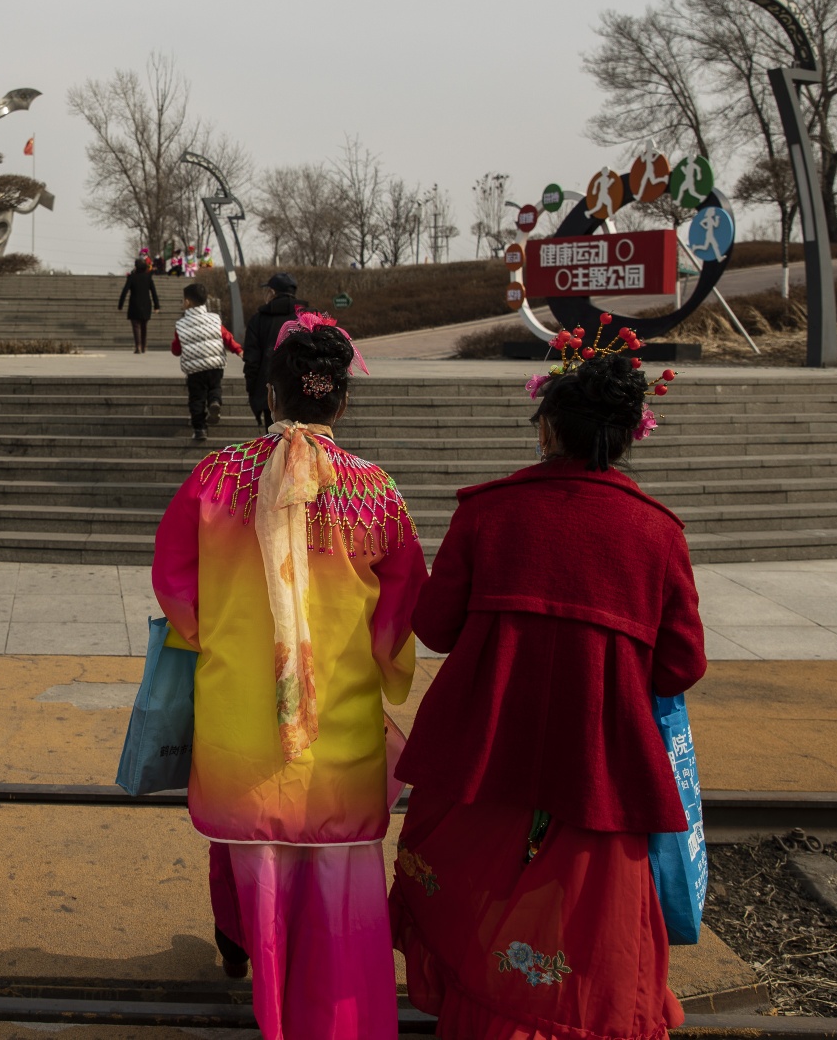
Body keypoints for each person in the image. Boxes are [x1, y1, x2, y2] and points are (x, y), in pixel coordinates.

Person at [389, 326, 705, 1040]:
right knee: (587, 942)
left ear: (550, 425)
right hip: (601, 771)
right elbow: (682, 665)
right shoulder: (658, 533)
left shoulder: (488, 512)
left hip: (483, 758)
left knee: (471, 898)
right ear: (628, 437)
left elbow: (436, 629)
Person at [152, 313, 424, 1040]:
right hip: (338, 720)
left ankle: (265, 1001)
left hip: (243, 719)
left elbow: (176, 589)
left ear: (271, 395)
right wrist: (381, 670)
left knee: (257, 863)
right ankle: (339, 1021)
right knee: (339, 879)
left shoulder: (216, 476)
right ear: (340, 401)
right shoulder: (378, 493)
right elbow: (401, 618)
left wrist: (225, 642)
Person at [171, 282, 243, 443]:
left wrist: (178, 349)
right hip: (215, 365)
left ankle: (200, 429)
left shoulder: (181, 324)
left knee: (196, 398)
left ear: (188, 302)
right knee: (214, 387)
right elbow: (227, 337)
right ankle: (215, 401)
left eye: (183, 300)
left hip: (194, 369)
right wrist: (238, 350)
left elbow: (176, 349)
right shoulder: (214, 319)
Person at [243, 274, 307, 429]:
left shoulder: (258, 320)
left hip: (270, 395)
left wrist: (253, 391)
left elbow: (252, 360)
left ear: (272, 292)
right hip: (304, 393)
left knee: (275, 445)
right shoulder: (307, 317)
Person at [118, 256, 161, 354]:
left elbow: (125, 291)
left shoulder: (132, 277)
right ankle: (143, 346)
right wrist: (156, 306)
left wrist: (120, 305)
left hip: (134, 304)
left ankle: (138, 345)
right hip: (146, 304)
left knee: (136, 326)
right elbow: (154, 292)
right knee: (144, 325)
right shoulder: (148, 277)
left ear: (136, 267)